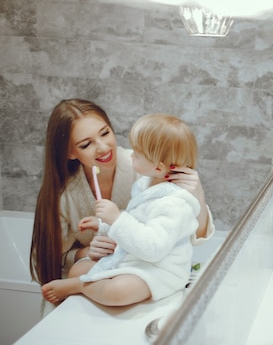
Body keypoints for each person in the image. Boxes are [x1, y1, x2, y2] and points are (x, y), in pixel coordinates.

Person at [30, 99, 215, 290]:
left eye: (105, 133)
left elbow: (191, 234)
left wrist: (198, 196)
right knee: (80, 275)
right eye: (86, 144)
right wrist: (85, 252)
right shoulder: (62, 195)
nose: (103, 147)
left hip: (144, 273)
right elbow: (47, 261)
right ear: (70, 153)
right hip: (102, 273)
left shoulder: (147, 168)